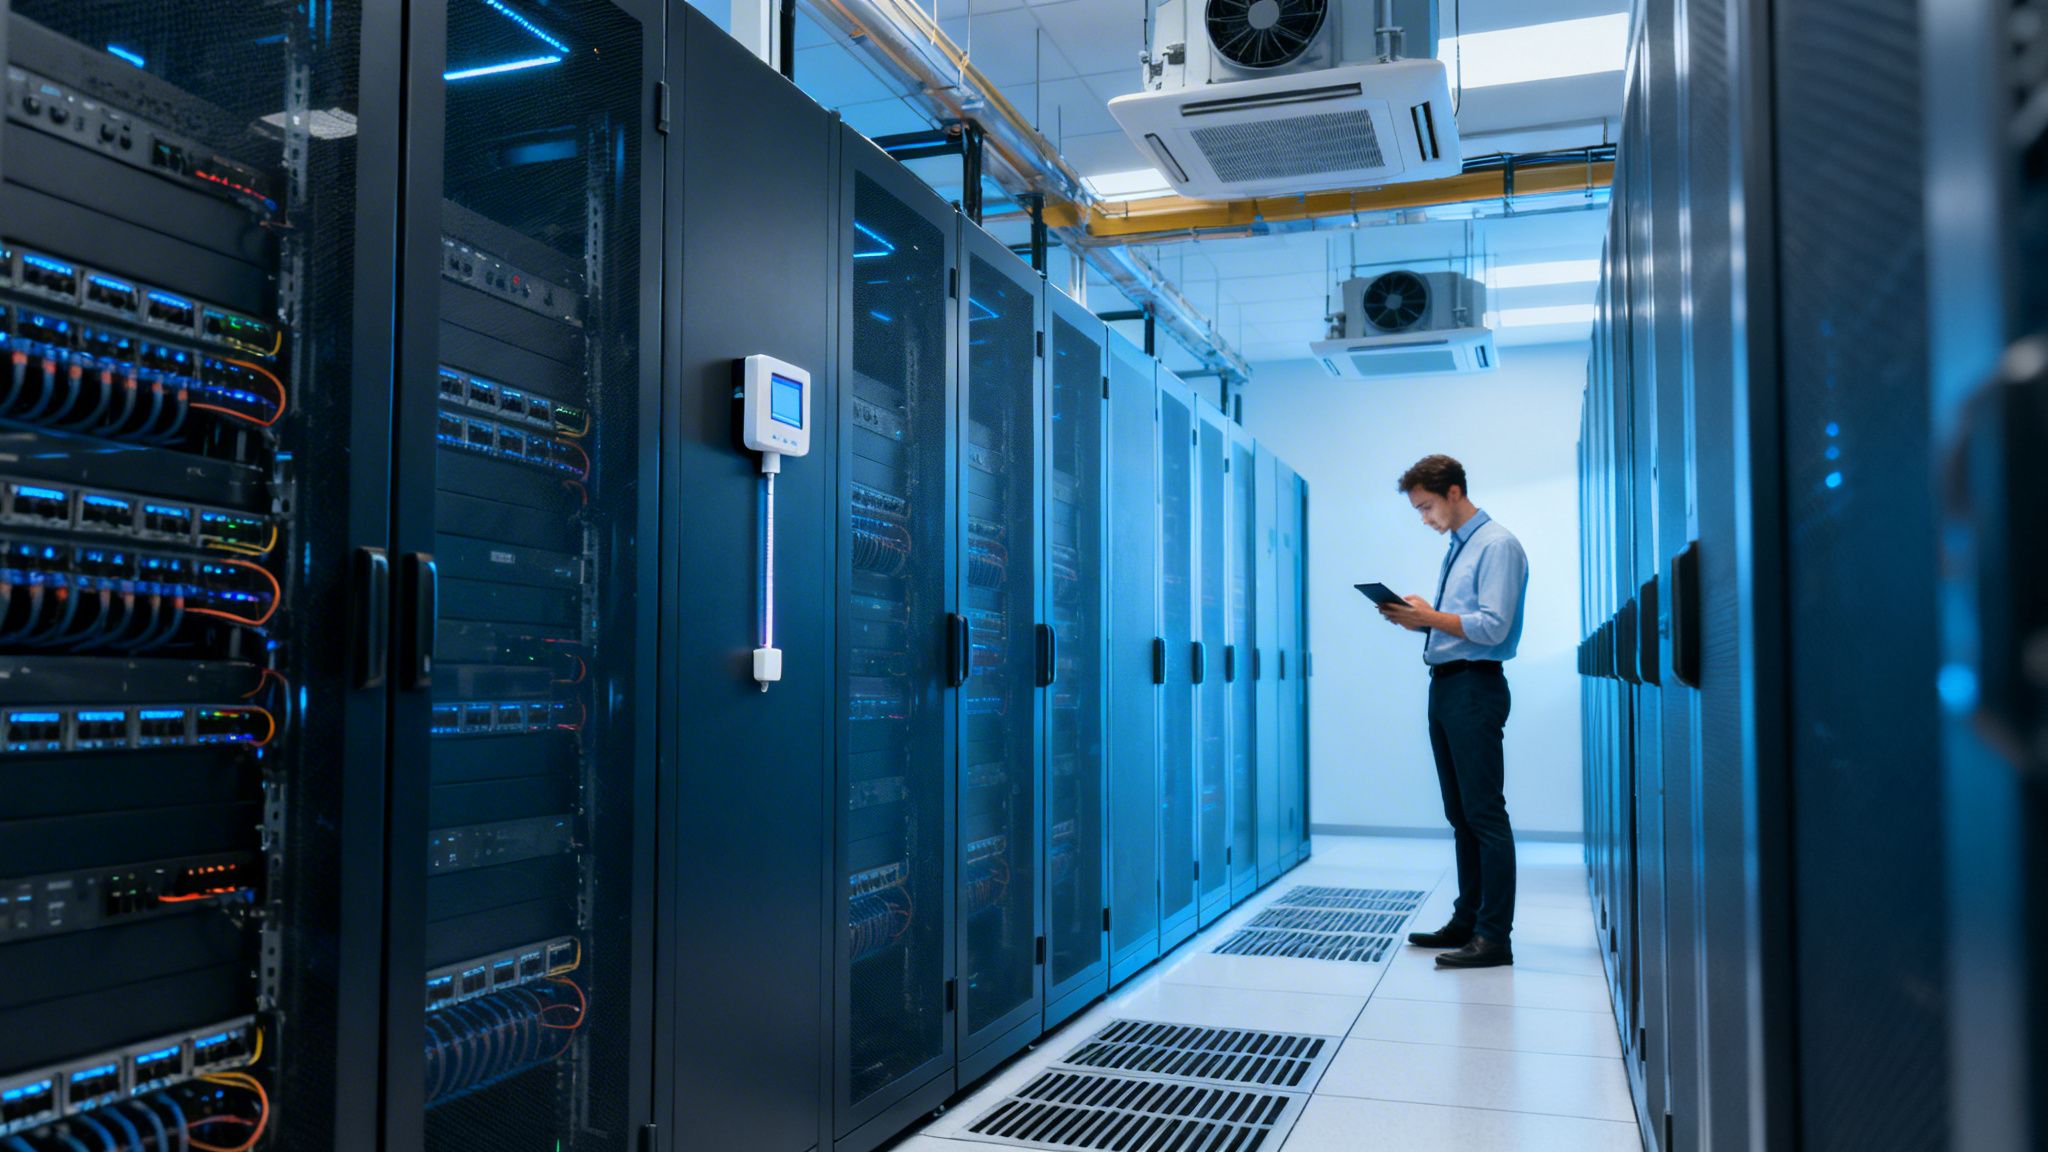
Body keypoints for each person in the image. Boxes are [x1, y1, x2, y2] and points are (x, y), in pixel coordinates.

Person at [1376, 454, 1529, 969]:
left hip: (1473, 688)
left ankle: (1494, 937)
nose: (1424, 519)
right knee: (1460, 815)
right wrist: (1418, 620)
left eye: (1426, 507)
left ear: (1455, 492)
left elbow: (1492, 627)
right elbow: (1461, 623)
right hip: (1446, 686)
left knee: (1485, 815)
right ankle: (1467, 919)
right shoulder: (1460, 548)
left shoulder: (1497, 545)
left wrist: (1429, 616)